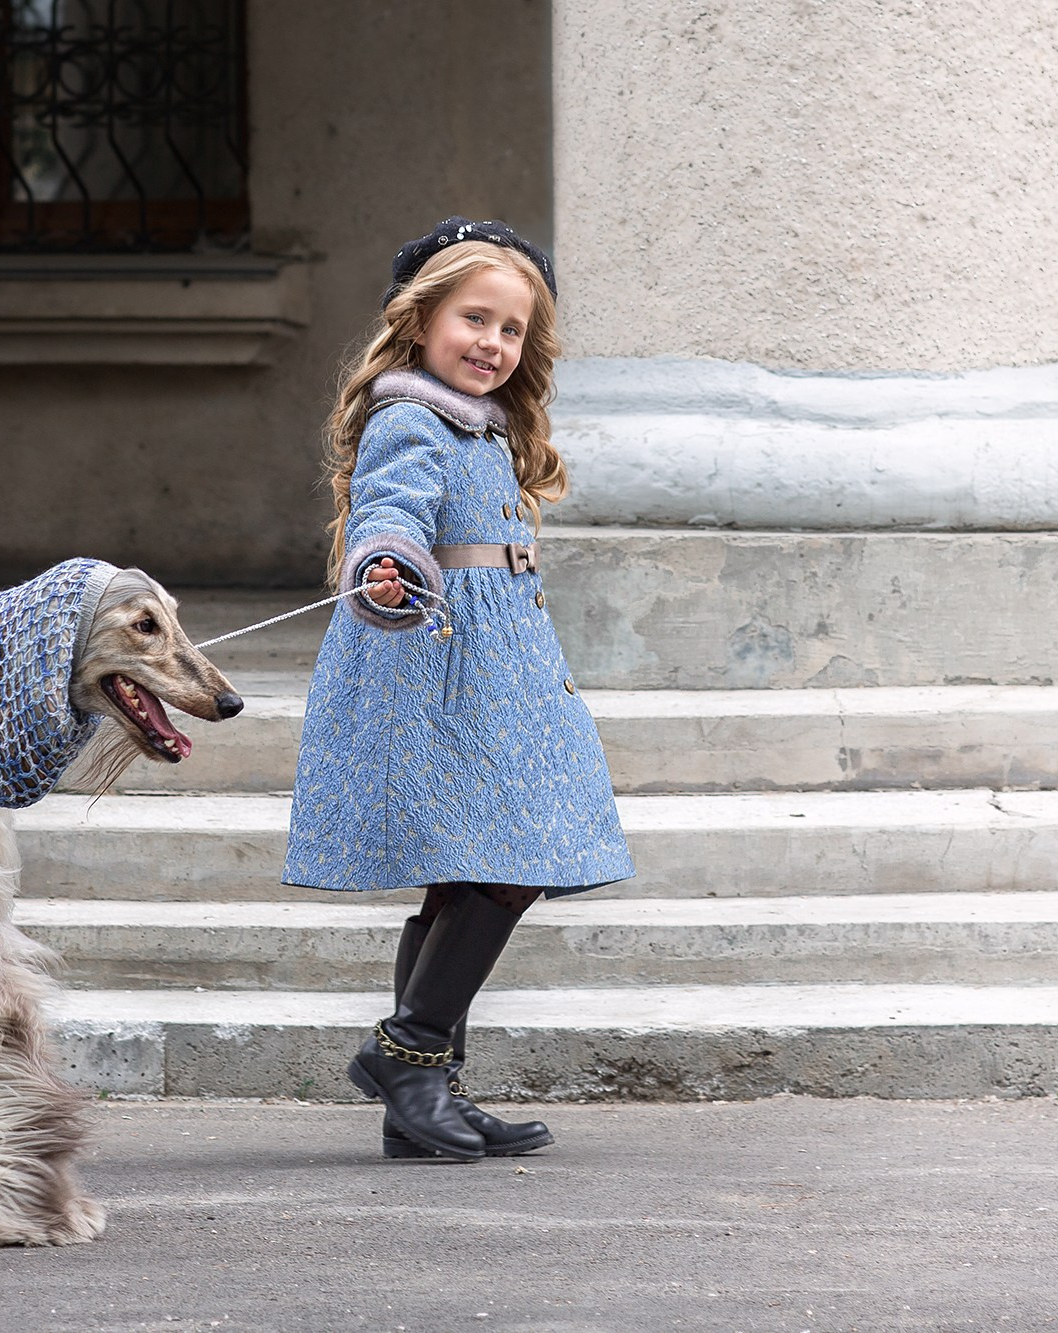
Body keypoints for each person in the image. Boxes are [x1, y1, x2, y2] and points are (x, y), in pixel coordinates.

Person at [282, 217, 634, 1162]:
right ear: (422, 320)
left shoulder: (484, 426)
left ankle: (424, 1090)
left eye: (512, 329)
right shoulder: (411, 416)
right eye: (473, 318)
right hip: (444, 667)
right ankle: (410, 1053)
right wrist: (386, 558)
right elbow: (389, 507)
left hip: (499, 670)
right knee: (515, 855)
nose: (492, 343)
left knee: (478, 863)